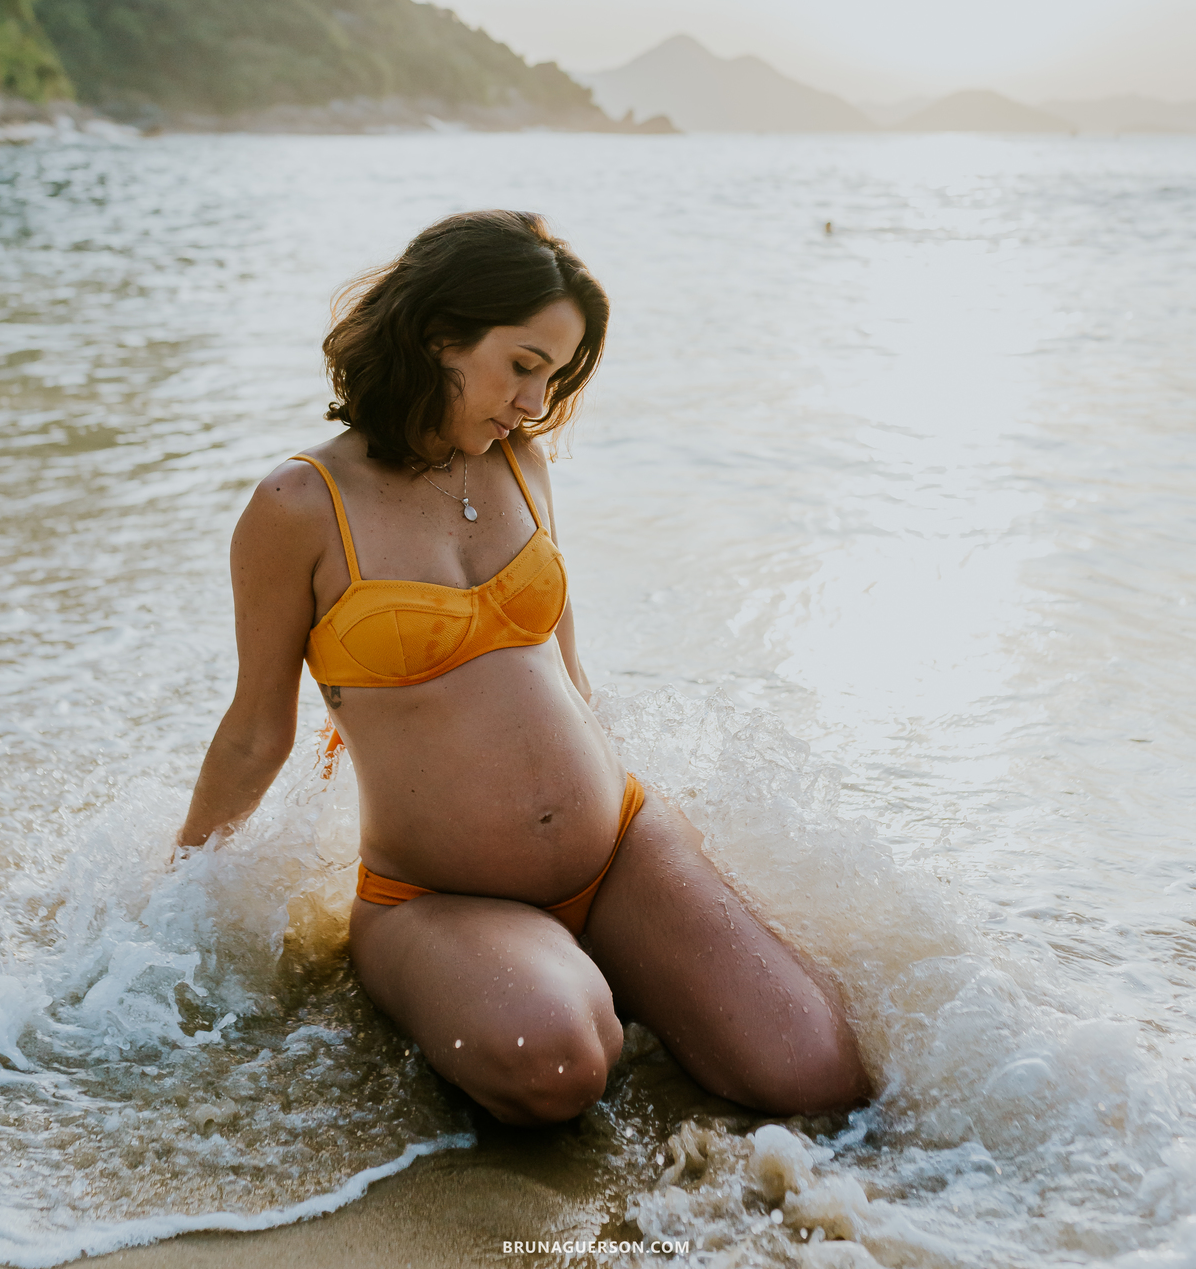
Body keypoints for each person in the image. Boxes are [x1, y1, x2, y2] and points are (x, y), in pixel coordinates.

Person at [178, 210, 869, 1125]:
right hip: (437, 898)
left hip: (616, 846)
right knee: (557, 1070)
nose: (536, 405)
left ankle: (597, 969)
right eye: (524, 367)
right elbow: (257, 732)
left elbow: (562, 670)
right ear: (439, 335)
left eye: (556, 378)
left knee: (814, 1077)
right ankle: (550, 987)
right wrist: (173, 901)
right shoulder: (299, 504)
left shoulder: (519, 461)